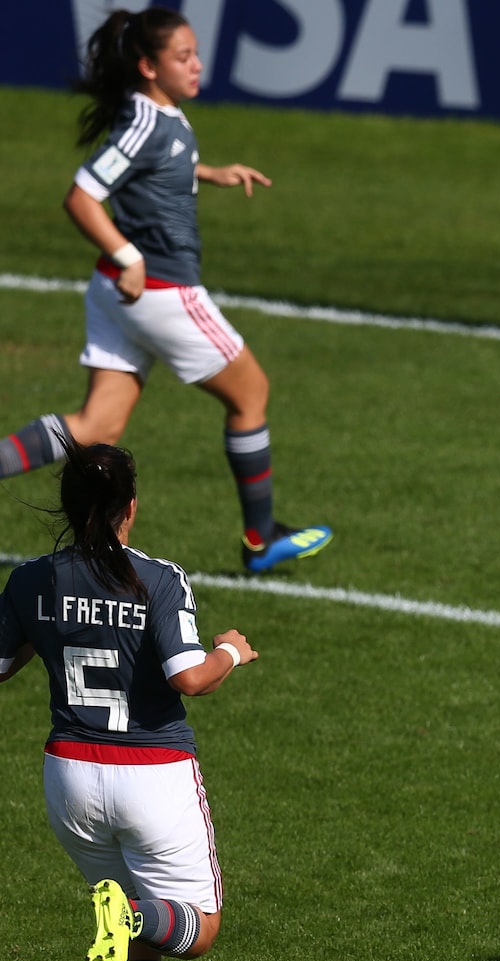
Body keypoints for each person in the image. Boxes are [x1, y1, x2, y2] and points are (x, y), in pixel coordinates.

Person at [2, 6, 332, 573]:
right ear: (149, 66)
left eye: (196, 53)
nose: (196, 64)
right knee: (250, 393)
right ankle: (260, 540)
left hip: (118, 296)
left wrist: (209, 172)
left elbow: (153, 164)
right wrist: (128, 254)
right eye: (183, 57)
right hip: (158, 292)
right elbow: (82, 196)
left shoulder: (157, 116)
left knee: (95, 426)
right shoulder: (146, 123)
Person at [0, 442, 257, 961]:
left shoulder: (30, 580)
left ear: (67, 505)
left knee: (128, 903)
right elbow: (190, 677)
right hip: (152, 774)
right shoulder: (158, 579)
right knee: (195, 928)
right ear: (131, 507)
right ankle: (136, 921)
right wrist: (231, 651)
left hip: (70, 779)